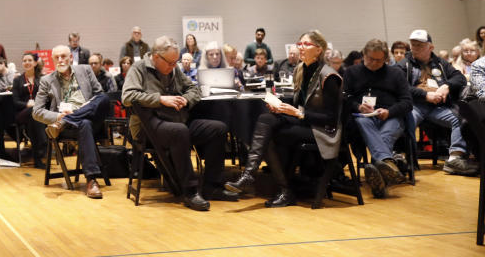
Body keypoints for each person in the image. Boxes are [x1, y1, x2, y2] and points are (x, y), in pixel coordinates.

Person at [225, 30, 343, 207]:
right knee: (266, 120)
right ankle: (252, 175)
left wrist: (298, 113)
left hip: (323, 131)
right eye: (299, 44)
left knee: (268, 135)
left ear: (319, 50)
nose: (301, 47)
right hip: (306, 123)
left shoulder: (329, 76)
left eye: (306, 44)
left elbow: (331, 119)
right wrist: (280, 106)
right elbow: (298, 103)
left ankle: (282, 189)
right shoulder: (301, 69)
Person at [122, 37, 235, 211]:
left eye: (176, 62)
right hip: (148, 127)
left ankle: (213, 186)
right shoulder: (139, 69)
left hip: (176, 121)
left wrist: (186, 100)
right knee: (179, 131)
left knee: (217, 129)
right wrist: (160, 99)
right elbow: (128, 97)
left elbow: (194, 89)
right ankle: (189, 191)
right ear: (157, 57)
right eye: (171, 62)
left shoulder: (174, 69)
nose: (174, 66)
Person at [33, 44, 109, 199]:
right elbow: (37, 111)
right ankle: (91, 180)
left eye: (64, 56)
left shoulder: (85, 70)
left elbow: (98, 95)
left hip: (89, 117)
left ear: (71, 58)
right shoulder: (46, 80)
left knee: (104, 98)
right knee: (84, 123)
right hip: (68, 125)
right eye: (57, 57)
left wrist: (73, 114)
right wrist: (58, 117)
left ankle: (72, 116)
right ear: (53, 60)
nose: (60, 60)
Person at [398, 29, 477, 176]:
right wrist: (425, 95)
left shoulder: (440, 63)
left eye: (420, 45)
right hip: (415, 106)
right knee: (404, 121)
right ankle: (401, 159)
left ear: (431, 47)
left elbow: (459, 78)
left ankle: (455, 158)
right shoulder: (404, 64)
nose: (415, 48)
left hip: (438, 107)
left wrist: (447, 86)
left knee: (460, 119)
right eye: (413, 45)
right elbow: (401, 87)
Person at [342, 39, 412, 198]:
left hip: (390, 116)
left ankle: (378, 174)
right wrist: (358, 107)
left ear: (386, 59)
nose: (374, 63)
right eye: (370, 59)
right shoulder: (352, 72)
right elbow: (345, 98)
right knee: (363, 121)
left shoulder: (396, 74)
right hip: (363, 116)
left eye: (378, 60)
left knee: (385, 134)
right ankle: (387, 163)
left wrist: (389, 111)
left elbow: (407, 102)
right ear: (364, 55)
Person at [12, 52, 47, 168]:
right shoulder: (18, 80)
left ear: (35, 63)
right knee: (33, 111)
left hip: (38, 114)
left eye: (29, 60)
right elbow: (14, 101)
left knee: (34, 118)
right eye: (24, 61)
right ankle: (43, 143)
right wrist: (27, 104)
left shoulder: (42, 79)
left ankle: (37, 158)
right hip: (22, 113)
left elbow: (48, 97)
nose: (27, 63)